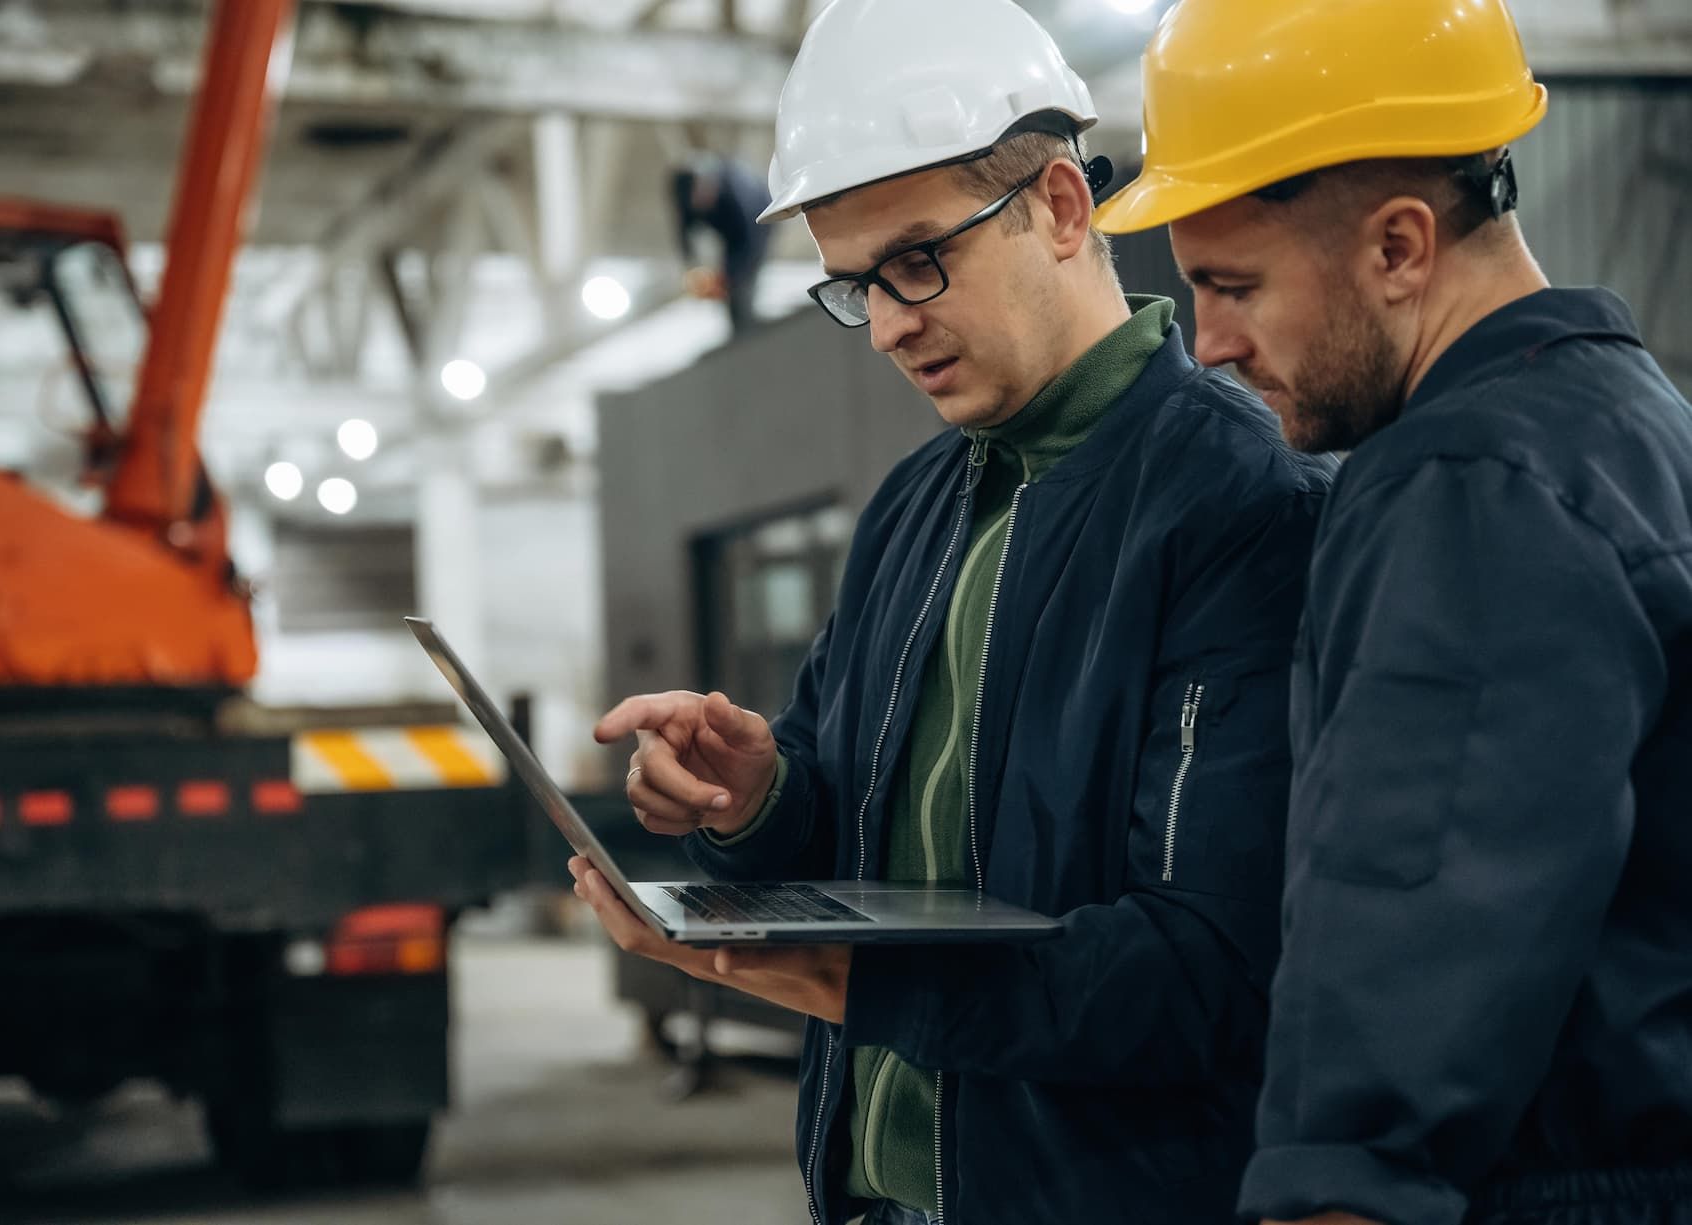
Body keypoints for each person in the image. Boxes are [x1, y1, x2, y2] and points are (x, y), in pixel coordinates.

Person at [572, 2, 1336, 1222]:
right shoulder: (918, 503)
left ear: (1062, 206)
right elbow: (847, 843)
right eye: (854, 286)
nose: (885, 325)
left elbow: (1207, 973)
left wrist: (867, 985)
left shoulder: (1240, 504)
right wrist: (757, 798)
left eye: (918, 259)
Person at [1094, 3, 1692, 1223]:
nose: (1208, 344)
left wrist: (1338, 1181)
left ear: (1400, 248)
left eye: (1233, 286)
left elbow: (1415, 910)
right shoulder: (1634, 427)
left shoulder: (1465, 483)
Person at [670, 152, 773, 337]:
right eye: (696, 203)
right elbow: (684, 237)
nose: (701, 203)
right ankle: (735, 325)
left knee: (743, 280)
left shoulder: (738, 197)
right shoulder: (687, 200)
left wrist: (730, 277)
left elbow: (748, 244)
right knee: (728, 285)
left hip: (758, 220)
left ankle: (749, 323)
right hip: (730, 233)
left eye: (702, 196)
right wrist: (692, 268)